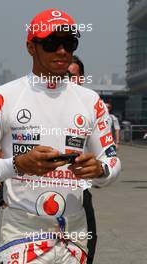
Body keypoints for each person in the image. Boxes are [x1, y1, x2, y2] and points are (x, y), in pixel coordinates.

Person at [0, 9, 121, 264]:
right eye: (52, 43)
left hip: (74, 235)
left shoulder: (90, 101)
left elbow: (112, 162)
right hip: (21, 232)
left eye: (69, 43)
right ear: (31, 47)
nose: (62, 51)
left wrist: (99, 171)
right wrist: (16, 165)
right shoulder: (1, 97)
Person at [68, 56, 97, 264]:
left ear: (81, 79)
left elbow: (108, 157)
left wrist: (101, 168)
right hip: (41, 192)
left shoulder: (92, 108)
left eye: (72, 76)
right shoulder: (42, 106)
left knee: (87, 244)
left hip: (80, 191)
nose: (67, 80)